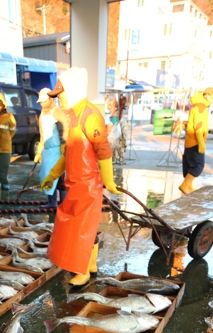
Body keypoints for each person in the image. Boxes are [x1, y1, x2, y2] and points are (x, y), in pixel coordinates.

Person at [40, 67, 120, 286]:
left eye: (61, 94)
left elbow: (103, 150)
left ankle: (82, 272)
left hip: (88, 185)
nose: (60, 100)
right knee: (84, 227)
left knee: (80, 230)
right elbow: (69, 153)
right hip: (75, 184)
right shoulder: (74, 118)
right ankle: (90, 265)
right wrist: (53, 175)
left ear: (72, 91)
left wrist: (109, 180)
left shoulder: (90, 116)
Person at [34, 88, 69, 208]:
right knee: (46, 175)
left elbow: (64, 129)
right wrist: (39, 151)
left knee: (60, 178)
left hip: (58, 149)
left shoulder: (58, 111)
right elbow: (42, 134)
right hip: (48, 151)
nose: (43, 104)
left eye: (44, 101)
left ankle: (63, 204)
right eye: (41, 102)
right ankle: (52, 203)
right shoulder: (42, 113)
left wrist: (64, 145)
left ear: (50, 99)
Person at [179, 87, 213, 195]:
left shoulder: (196, 106)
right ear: (207, 95)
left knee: (191, 165)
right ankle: (185, 185)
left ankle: (188, 187)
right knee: (198, 165)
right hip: (195, 142)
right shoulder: (201, 107)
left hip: (190, 141)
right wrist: (201, 144)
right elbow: (198, 127)